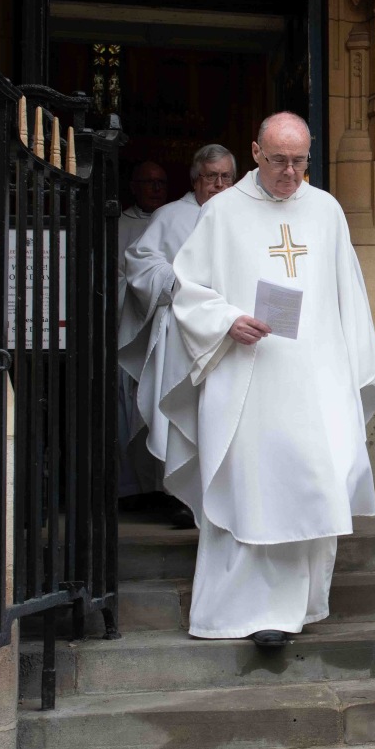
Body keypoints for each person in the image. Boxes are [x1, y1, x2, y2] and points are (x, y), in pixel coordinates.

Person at [170, 112, 375, 650]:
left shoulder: (326, 210)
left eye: (299, 161)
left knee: (310, 485)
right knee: (251, 490)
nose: (290, 173)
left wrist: (355, 367)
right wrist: (227, 320)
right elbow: (188, 290)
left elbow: (349, 293)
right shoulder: (221, 212)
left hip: (316, 378)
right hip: (248, 377)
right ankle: (242, 611)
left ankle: (299, 606)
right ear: (255, 153)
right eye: (279, 161)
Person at [119, 144, 237, 527]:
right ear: (195, 179)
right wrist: (177, 282)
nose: (218, 185)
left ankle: (226, 496)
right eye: (210, 177)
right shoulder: (171, 216)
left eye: (226, 177)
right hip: (182, 337)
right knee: (186, 411)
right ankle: (185, 497)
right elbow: (141, 261)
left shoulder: (244, 217)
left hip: (231, 336)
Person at [114, 160, 171, 501]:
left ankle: (165, 487)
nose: (155, 188)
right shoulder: (119, 225)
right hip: (133, 328)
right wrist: (143, 288)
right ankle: (134, 488)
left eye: (161, 182)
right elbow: (115, 280)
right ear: (133, 186)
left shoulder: (176, 219)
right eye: (148, 182)